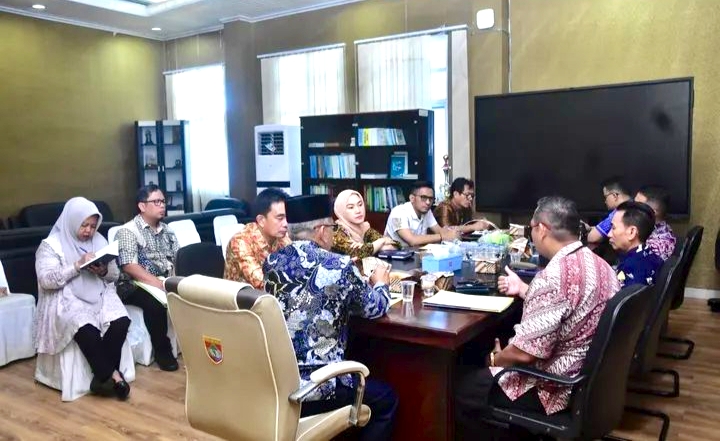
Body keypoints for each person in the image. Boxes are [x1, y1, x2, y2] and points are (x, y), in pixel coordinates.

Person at [455, 196, 620, 440]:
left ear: (542, 229)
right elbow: (570, 302)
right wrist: (525, 290)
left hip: (556, 387)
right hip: (592, 381)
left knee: (464, 388)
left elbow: (524, 354)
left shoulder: (553, 277)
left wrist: (495, 359)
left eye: (531, 227)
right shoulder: (600, 265)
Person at [263, 194, 398, 441]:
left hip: (281, 382)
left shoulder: (272, 262)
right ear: (321, 231)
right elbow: (375, 308)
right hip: (322, 385)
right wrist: (380, 283)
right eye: (332, 229)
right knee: (387, 399)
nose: (333, 235)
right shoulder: (339, 265)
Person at [34, 197, 131, 399]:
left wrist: (103, 271)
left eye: (93, 226)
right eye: (84, 225)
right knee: (85, 326)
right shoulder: (50, 246)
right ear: (72, 221)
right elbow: (46, 280)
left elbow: (114, 275)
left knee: (121, 321)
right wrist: (77, 266)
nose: (88, 231)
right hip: (66, 294)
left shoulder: (100, 240)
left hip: (99, 290)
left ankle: (101, 379)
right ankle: (114, 375)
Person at [115, 185, 179, 371]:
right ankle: (163, 351)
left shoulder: (168, 230)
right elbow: (129, 266)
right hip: (132, 284)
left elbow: (177, 257)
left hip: (163, 278)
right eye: (156, 202)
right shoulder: (128, 231)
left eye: (163, 201)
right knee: (155, 304)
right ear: (142, 206)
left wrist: (174, 281)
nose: (162, 205)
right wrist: (158, 284)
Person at [224, 188, 291, 288]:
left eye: (287, 217)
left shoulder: (282, 237)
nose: (286, 224)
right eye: (280, 218)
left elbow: (297, 266)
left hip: (271, 295)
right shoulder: (240, 242)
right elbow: (262, 283)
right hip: (243, 296)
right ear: (261, 220)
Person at [384, 181, 459, 247]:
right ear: (412, 198)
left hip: (415, 253)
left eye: (431, 199)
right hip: (393, 254)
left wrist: (452, 234)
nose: (428, 202)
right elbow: (412, 240)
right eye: (423, 198)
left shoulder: (427, 211)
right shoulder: (397, 213)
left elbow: (439, 230)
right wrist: (443, 236)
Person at [608, 200, 664, 287]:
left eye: (613, 228)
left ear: (632, 232)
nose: (609, 234)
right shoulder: (653, 257)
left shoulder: (628, 268)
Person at [332, 189, 398, 259]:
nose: (358, 211)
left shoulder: (364, 228)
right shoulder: (336, 231)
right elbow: (357, 253)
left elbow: (395, 244)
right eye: (351, 207)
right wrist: (382, 241)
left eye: (360, 205)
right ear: (342, 211)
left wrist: (367, 247)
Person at [586, 177, 632, 246]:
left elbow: (592, 238)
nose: (605, 201)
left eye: (605, 197)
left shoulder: (619, 212)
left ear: (615, 196)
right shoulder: (636, 206)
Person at [635, 185, 676, 261]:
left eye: (638, 206)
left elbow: (636, 264)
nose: (632, 209)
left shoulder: (660, 243)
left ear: (652, 212)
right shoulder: (646, 228)